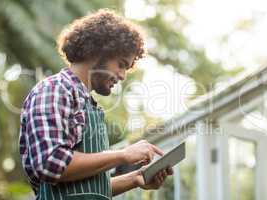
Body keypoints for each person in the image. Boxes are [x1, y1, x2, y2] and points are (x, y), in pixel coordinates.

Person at [19, 9, 173, 200]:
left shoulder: (90, 106)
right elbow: (51, 164)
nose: (123, 75)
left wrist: (136, 178)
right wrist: (123, 155)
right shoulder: (54, 89)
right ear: (99, 51)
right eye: (121, 64)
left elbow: (88, 188)